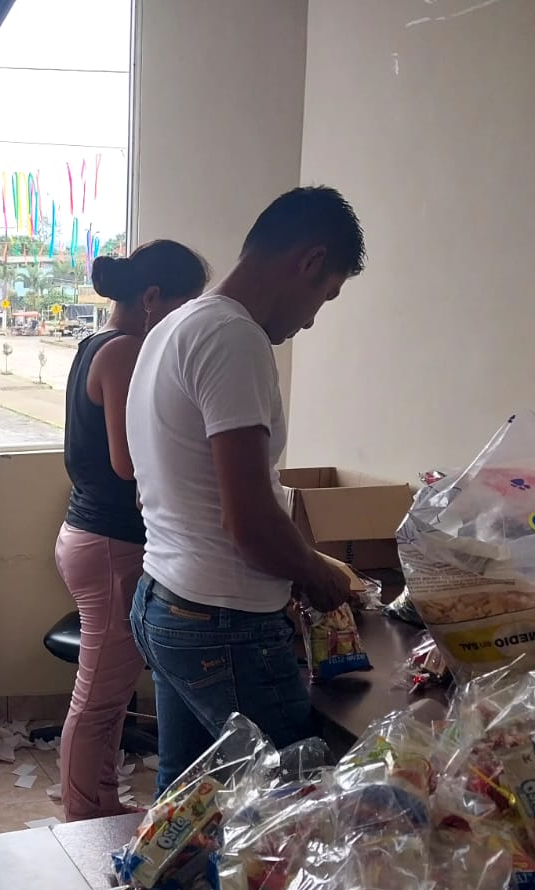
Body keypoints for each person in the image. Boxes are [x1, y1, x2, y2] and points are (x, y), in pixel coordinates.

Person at [126, 186, 365, 793]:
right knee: (303, 804)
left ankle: (167, 866)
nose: (311, 320)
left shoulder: (173, 325)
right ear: (310, 261)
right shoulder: (234, 338)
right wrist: (316, 575)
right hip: (223, 623)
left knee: (190, 804)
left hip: (166, 598)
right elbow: (249, 522)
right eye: (325, 296)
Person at [55, 240, 209, 821]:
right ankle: (82, 817)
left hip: (94, 536)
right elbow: (127, 463)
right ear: (152, 298)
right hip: (110, 543)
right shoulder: (124, 352)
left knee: (111, 693)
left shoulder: (96, 342)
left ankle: (101, 804)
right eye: (184, 305)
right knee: (97, 699)